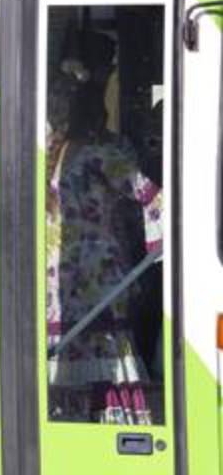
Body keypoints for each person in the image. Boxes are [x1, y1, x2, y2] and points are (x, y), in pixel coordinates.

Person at [46, 78, 162, 424]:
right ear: (98, 115)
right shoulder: (102, 155)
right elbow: (151, 198)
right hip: (101, 276)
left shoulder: (48, 157)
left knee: (66, 356)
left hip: (56, 278)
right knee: (108, 356)